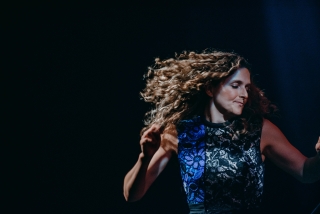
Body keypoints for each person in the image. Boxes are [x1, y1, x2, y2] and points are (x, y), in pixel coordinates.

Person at [123, 50, 320, 213]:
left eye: (247, 88)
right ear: (210, 89)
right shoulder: (179, 133)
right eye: (236, 86)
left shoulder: (259, 129)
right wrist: (144, 157)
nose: (244, 94)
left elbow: (305, 172)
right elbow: (131, 195)